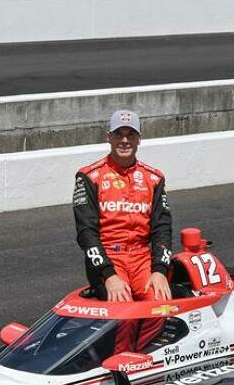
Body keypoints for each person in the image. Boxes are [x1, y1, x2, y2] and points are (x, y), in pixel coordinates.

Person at [73, 109, 173, 304]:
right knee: (124, 309)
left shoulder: (154, 178)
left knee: (161, 305)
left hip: (142, 259)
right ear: (108, 137)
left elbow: (162, 228)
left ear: (139, 139)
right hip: (109, 258)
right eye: (118, 134)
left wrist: (160, 270)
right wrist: (108, 275)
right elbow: (86, 232)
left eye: (131, 134)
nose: (124, 140)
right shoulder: (88, 177)